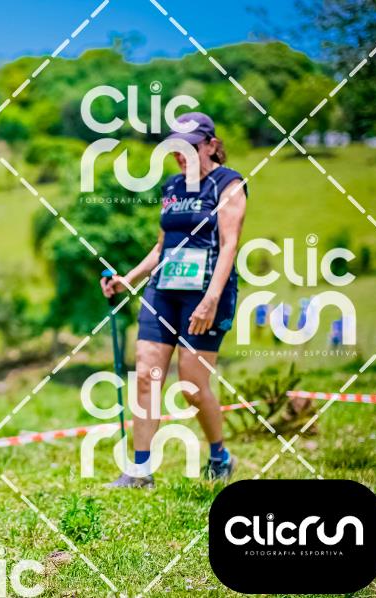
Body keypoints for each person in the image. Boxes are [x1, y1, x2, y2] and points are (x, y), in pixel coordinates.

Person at [100, 112, 246, 488]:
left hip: (206, 293)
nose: (182, 155)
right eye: (176, 148)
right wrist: (128, 279)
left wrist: (211, 299)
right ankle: (140, 470)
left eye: (190, 147)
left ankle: (220, 456)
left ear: (211, 145)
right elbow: (162, 247)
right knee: (146, 377)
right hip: (162, 291)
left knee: (193, 385)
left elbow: (229, 245)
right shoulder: (172, 186)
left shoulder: (228, 184)